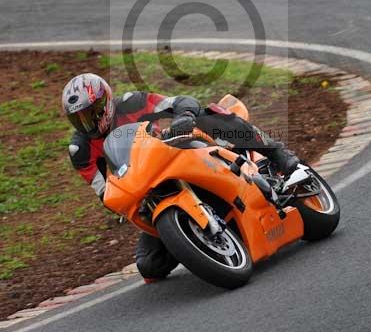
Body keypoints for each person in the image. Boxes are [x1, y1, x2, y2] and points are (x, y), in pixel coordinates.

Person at [62, 73, 298, 282]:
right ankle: (196, 241)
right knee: (149, 266)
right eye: (79, 119)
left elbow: (177, 102)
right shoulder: (80, 150)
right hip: (147, 192)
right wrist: (124, 202)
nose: (88, 123)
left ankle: (276, 153)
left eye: (92, 113)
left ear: (106, 102)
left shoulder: (130, 103)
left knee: (207, 114)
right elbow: (103, 191)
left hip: (171, 152)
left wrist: (183, 116)